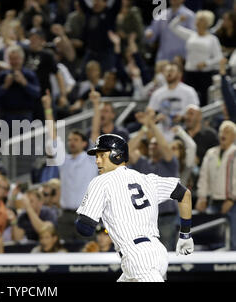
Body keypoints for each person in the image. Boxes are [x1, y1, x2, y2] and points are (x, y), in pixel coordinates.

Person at [75, 134, 194, 282]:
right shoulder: (147, 179)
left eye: (102, 155)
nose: (97, 161)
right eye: (96, 156)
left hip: (137, 257)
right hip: (157, 252)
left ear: (117, 156)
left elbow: (85, 228)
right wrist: (185, 235)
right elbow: (184, 194)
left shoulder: (101, 181)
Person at [42, 90, 97, 241]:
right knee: (63, 253)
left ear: (84, 143)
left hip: (86, 216)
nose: (71, 142)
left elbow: (95, 132)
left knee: (88, 253)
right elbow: (52, 134)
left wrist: (96, 106)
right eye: (70, 140)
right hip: (65, 216)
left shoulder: (90, 159)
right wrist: (47, 108)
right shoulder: (63, 160)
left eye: (76, 140)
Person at [128, 111, 181, 251]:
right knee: (146, 256)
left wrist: (152, 125)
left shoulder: (170, 164)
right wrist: (144, 128)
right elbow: (128, 151)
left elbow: (165, 146)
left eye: (155, 144)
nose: (153, 146)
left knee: (166, 257)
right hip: (145, 219)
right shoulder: (143, 163)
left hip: (167, 218)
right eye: (151, 144)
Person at [169, 10, 223, 106]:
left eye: (201, 20)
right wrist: (179, 19)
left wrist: (206, 63)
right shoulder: (191, 35)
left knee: (204, 100)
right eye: (197, 19)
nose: (198, 22)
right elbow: (172, 27)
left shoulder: (212, 39)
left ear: (207, 23)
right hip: (190, 72)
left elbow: (219, 57)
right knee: (187, 98)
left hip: (205, 74)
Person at [196, 121, 236, 250]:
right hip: (213, 202)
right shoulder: (211, 153)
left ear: (234, 136)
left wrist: (231, 199)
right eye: (221, 131)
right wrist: (202, 197)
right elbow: (204, 176)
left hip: (232, 204)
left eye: (227, 131)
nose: (223, 134)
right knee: (211, 238)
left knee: (233, 239)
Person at [146, 63, 200, 142]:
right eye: (167, 71)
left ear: (179, 74)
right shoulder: (157, 93)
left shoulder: (189, 91)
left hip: (183, 132)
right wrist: (157, 118)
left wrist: (182, 117)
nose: (169, 73)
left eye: (171, 71)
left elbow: (196, 114)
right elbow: (150, 112)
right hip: (161, 133)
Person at [0, 44, 41, 127]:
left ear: (22, 59)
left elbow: (37, 94)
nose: (14, 62)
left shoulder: (29, 74)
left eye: (16, 59)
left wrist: (24, 83)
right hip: (6, 116)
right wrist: (5, 86)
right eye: (11, 59)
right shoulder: (2, 76)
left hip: (25, 116)